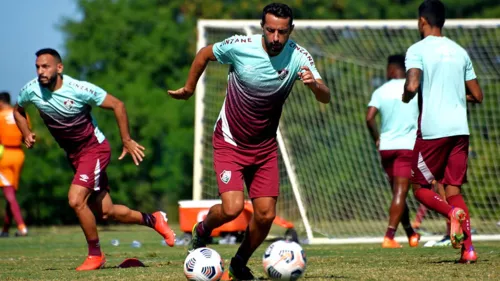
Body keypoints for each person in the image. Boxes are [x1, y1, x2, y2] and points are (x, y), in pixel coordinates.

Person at [168, 3, 330, 279]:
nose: (276, 38)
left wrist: (314, 85)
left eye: (282, 32)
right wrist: (189, 88)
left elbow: (325, 95)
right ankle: (202, 231)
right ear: (262, 27)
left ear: (291, 30)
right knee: (232, 208)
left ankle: (238, 263)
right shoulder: (240, 46)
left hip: (264, 148)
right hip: (230, 141)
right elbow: (205, 54)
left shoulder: (299, 57)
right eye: (271, 31)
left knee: (266, 215)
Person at [14, 48, 176, 271]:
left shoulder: (79, 89)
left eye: (46, 66)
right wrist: (25, 132)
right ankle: (154, 219)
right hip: (75, 156)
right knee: (105, 211)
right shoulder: (31, 90)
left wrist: (126, 140)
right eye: (38, 67)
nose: (41, 71)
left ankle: (95, 255)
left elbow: (118, 105)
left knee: (75, 199)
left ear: (59, 68)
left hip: (94, 150)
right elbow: (18, 110)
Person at [402, 0, 483, 263]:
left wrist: (406, 95)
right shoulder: (460, 52)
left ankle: (451, 214)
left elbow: (412, 86)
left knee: (419, 187)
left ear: (422, 21)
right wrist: (453, 96)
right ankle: (468, 251)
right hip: (460, 129)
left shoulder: (417, 49)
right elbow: (477, 95)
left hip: (433, 130)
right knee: (454, 189)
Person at [366, 55, 420, 248]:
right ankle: (389, 236)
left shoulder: (380, 91)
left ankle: (411, 234)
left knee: (398, 192)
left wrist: (377, 139)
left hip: (386, 148)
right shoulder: (414, 89)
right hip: (406, 147)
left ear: (390, 69)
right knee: (401, 192)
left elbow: (369, 118)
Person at [0, 92, 28, 237]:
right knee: (12, 193)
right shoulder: (20, 113)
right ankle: (5, 229)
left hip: (4, 155)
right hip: (19, 154)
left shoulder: (0, 116)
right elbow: (27, 134)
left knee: (9, 194)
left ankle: (21, 226)